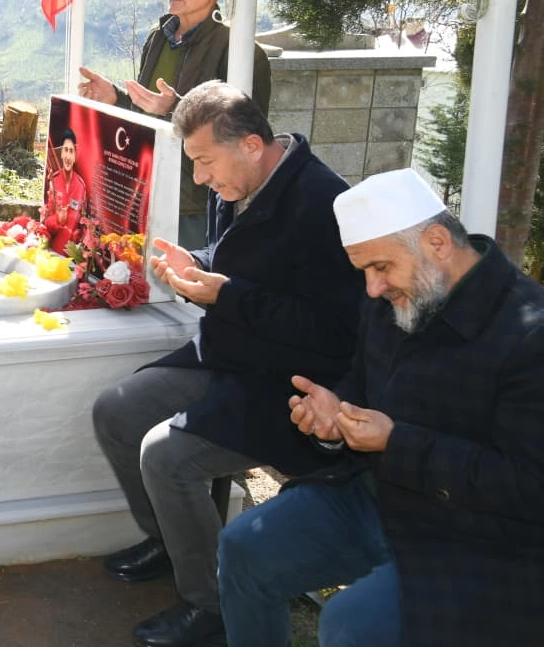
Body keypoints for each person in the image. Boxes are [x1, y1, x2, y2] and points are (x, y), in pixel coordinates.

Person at [218, 169, 544, 647]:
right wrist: (333, 420)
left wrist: (397, 442)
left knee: (353, 625)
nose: (372, 290)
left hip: (479, 535)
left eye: (381, 268)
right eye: (363, 271)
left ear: (436, 242)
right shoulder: (394, 298)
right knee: (243, 548)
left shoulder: (529, 333)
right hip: (375, 495)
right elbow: (363, 390)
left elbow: (529, 486)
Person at [90, 81, 362, 647]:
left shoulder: (324, 205)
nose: (199, 178)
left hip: (289, 386)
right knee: (116, 411)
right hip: (226, 352)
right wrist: (198, 265)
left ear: (252, 145)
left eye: (204, 162)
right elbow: (233, 259)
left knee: (166, 457)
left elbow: (337, 331)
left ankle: (211, 604)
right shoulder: (237, 181)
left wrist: (227, 295)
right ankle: (172, 540)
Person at [77, 0, 271, 249]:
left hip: (195, 203)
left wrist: (175, 108)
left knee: (186, 288)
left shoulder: (239, 50)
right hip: (146, 188)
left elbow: (243, 131)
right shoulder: (158, 36)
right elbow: (152, 109)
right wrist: (116, 98)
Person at [43, 126, 90, 254]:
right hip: (49, 247)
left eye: (71, 151)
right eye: (65, 150)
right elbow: (44, 218)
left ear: (75, 156)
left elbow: (82, 222)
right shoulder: (53, 180)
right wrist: (57, 219)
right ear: (61, 153)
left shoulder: (81, 186)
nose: (68, 156)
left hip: (70, 253)